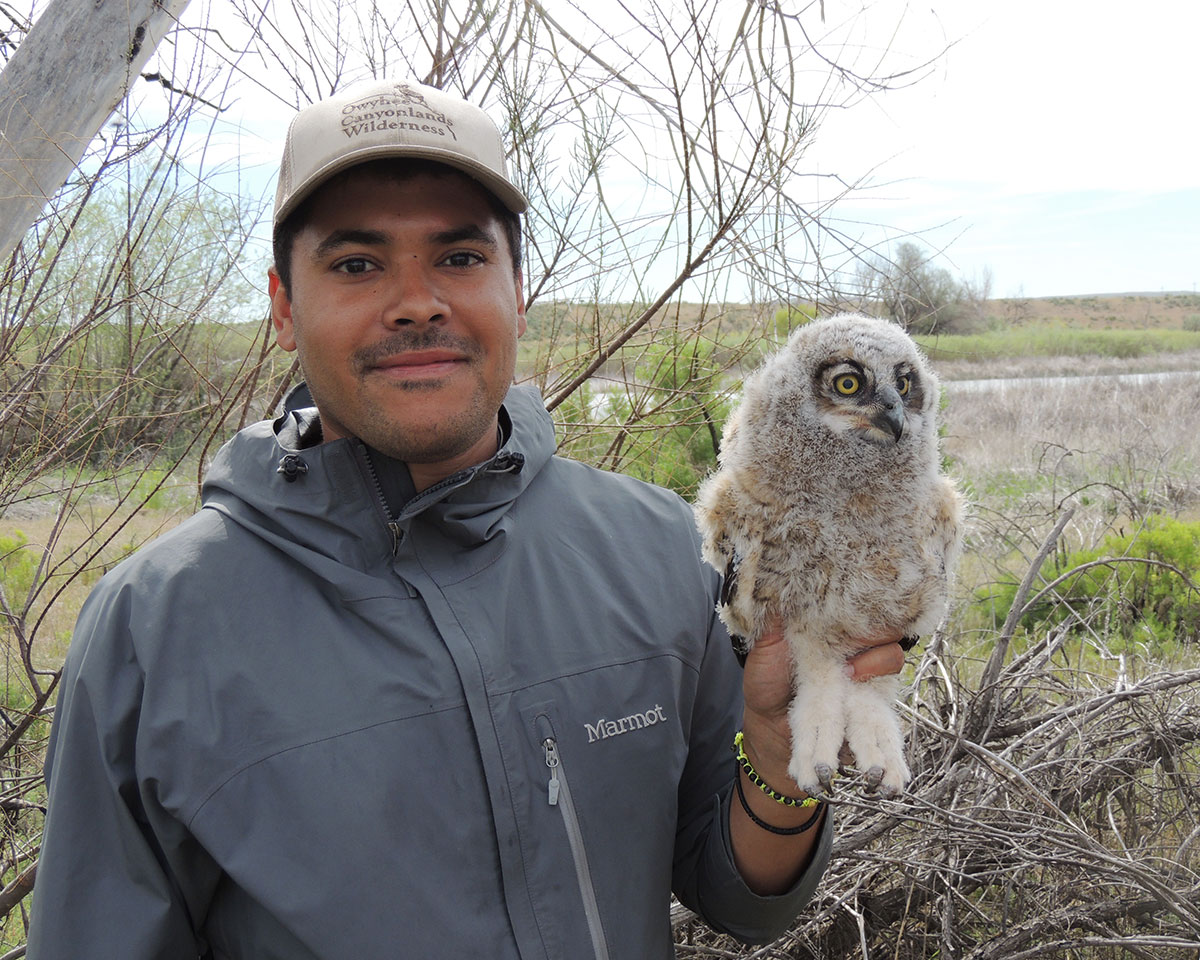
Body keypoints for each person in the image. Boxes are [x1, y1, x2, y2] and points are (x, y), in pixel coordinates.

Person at [27, 80, 904, 959]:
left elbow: (741, 898)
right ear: (284, 306)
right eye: (357, 264)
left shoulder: (656, 547)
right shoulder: (156, 626)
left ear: (517, 290)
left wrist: (782, 758)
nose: (417, 302)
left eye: (458, 258)